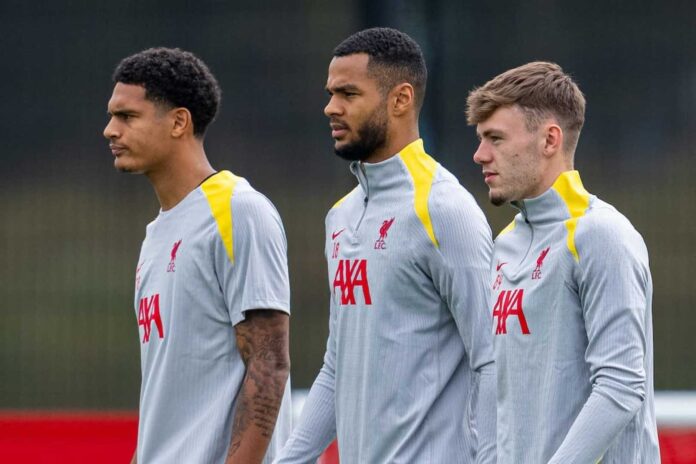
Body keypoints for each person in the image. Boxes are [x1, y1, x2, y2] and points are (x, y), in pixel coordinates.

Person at [275, 28, 496, 463]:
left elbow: (491, 361)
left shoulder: (444, 209)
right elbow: (337, 367)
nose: (331, 108)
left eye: (348, 93)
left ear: (400, 99)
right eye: (330, 93)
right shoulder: (340, 216)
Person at [103, 47, 292, 464]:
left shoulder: (238, 211)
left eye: (127, 117)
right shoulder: (157, 233)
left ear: (179, 122)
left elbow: (270, 364)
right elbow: (166, 395)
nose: (110, 131)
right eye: (113, 116)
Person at [467, 61, 660, 463]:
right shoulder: (505, 244)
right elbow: (495, 384)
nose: (480, 154)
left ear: (550, 140)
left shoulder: (602, 234)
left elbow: (621, 386)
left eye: (495, 138)